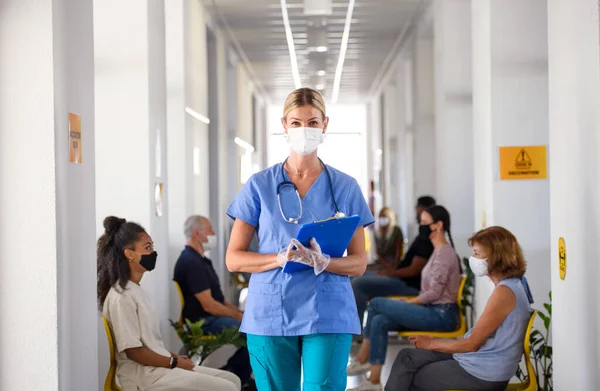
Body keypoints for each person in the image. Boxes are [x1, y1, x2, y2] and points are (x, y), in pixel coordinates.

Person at [225, 87, 374, 391]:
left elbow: (359, 263)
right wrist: (277, 259)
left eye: (312, 122)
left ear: (325, 125)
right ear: (284, 125)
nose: (304, 129)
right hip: (270, 310)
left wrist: (323, 261)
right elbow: (233, 258)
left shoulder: (345, 187)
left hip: (328, 308)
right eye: (296, 123)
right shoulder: (259, 185)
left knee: (323, 387)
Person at [98, 216, 241, 391]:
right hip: (144, 378)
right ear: (129, 254)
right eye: (147, 248)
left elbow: (151, 345)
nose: (153, 253)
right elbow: (133, 351)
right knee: (229, 388)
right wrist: (173, 362)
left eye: (152, 247)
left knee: (233, 380)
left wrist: (174, 358)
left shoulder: (136, 290)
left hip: (159, 369)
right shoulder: (122, 296)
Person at [385, 226, 534, 391]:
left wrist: (431, 343)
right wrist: (433, 343)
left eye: (477, 253)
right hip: (481, 361)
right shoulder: (516, 284)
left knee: (413, 377)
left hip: (484, 373)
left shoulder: (505, 292)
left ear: (496, 257)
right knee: (407, 357)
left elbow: (471, 344)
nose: (473, 258)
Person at [347, 205, 462, 391]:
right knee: (380, 320)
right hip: (432, 310)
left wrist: (409, 303)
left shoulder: (444, 253)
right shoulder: (438, 251)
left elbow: (434, 293)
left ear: (438, 225)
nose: (421, 226)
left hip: (442, 315)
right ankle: (374, 381)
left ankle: (362, 358)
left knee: (376, 303)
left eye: (425, 223)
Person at [174, 215, 255, 390]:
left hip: (211, 316)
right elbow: (209, 305)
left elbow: (220, 300)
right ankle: (236, 376)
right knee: (252, 334)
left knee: (251, 328)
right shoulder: (190, 262)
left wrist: (240, 313)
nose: (213, 234)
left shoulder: (201, 261)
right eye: (210, 230)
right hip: (203, 321)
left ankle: (234, 373)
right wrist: (239, 316)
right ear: (197, 234)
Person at [352, 196, 436, 326]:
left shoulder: (425, 240)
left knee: (358, 283)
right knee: (354, 277)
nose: (417, 212)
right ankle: (353, 325)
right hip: (398, 276)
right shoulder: (422, 237)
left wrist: (390, 273)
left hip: (407, 283)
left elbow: (413, 270)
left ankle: (355, 330)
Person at [368, 207, 404, 271]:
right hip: (381, 263)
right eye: (380, 217)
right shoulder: (377, 233)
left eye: (384, 217)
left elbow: (398, 251)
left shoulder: (396, 230)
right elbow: (378, 252)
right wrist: (385, 265)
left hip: (394, 264)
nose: (382, 219)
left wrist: (393, 266)